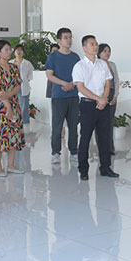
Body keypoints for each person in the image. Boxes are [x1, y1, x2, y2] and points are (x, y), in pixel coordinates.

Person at [72, 35, 118, 180]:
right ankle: (83, 169)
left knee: (104, 137)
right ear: (84, 48)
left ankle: (105, 167)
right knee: (85, 137)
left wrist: (104, 99)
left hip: (103, 105)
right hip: (87, 105)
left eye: (96, 44)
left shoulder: (103, 64)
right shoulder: (79, 66)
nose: (95, 46)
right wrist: (99, 99)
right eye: (92, 44)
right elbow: (80, 87)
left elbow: (107, 84)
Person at [0, 40, 26, 177]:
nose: (9, 51)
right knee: (0, 134)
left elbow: (18, 85)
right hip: (1, 106)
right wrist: (8, 107)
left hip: (14, 102)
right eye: (6, 49)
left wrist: (10, 95)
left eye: (10, 49)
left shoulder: (14, 67)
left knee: (14, 133)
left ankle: (10, 165)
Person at [45, 28, 80, 164]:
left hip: (73, 95)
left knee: (73, 126)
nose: (69, 40)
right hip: (58, 96)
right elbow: (49, 75)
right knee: (57, 126)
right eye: (66, 37)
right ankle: (55, 153)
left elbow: (79, 75)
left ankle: (74, 152)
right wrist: (64, 83)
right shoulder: (52, 57)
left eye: (70, 37)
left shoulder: (75, 57)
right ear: (59, 40)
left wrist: (72, 84)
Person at [98, 43, 119, 155]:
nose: (107, 53)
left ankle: (110, 148)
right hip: (100, 95)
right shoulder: (96, 64)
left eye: (108, 51)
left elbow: (116, 81)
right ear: (99, 53)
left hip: (111, 94)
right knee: (100, 123)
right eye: (104, 51)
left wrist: (115, 95)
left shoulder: (112, 64)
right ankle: (101, 148)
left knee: (110, 122)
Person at [13, 44, 35, 127]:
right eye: (17, 50)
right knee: (14, 107)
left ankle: (25, 126)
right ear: (14, 52)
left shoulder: (27, 63)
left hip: (24, 88)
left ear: (23, 52)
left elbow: (29, 76)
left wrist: (23, 81)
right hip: (13, 88)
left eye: (21, 50)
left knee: (24, 108)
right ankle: (15, 125)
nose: (19, 52)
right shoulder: (10, 63)